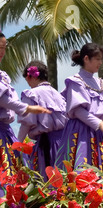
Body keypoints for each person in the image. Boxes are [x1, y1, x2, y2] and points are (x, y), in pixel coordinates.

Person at [55, 43, 103, 175]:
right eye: (97, 59)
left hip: (100, 133)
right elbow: (78, 111)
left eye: (101, 59)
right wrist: (100, 124)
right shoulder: (75, 81)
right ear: (86, 59)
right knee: (79, 170)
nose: (100, 62)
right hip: (80, 132)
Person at [0, 33, 51, 196]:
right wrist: (28, 109)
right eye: (0, 47)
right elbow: (5, 101)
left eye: (4, 48)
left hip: (5, 131)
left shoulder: (3, 76)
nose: (2, 51)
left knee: (14, 175)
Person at [17, 61, 68, 178]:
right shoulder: (58, 94)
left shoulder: (31, 94)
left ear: (31, 77)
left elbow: (26, 123)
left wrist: (17, 144)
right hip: (64, 142)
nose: (28, 84)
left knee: (47, 181)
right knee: (64, 180)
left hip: (47, 144)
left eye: (27, 80)